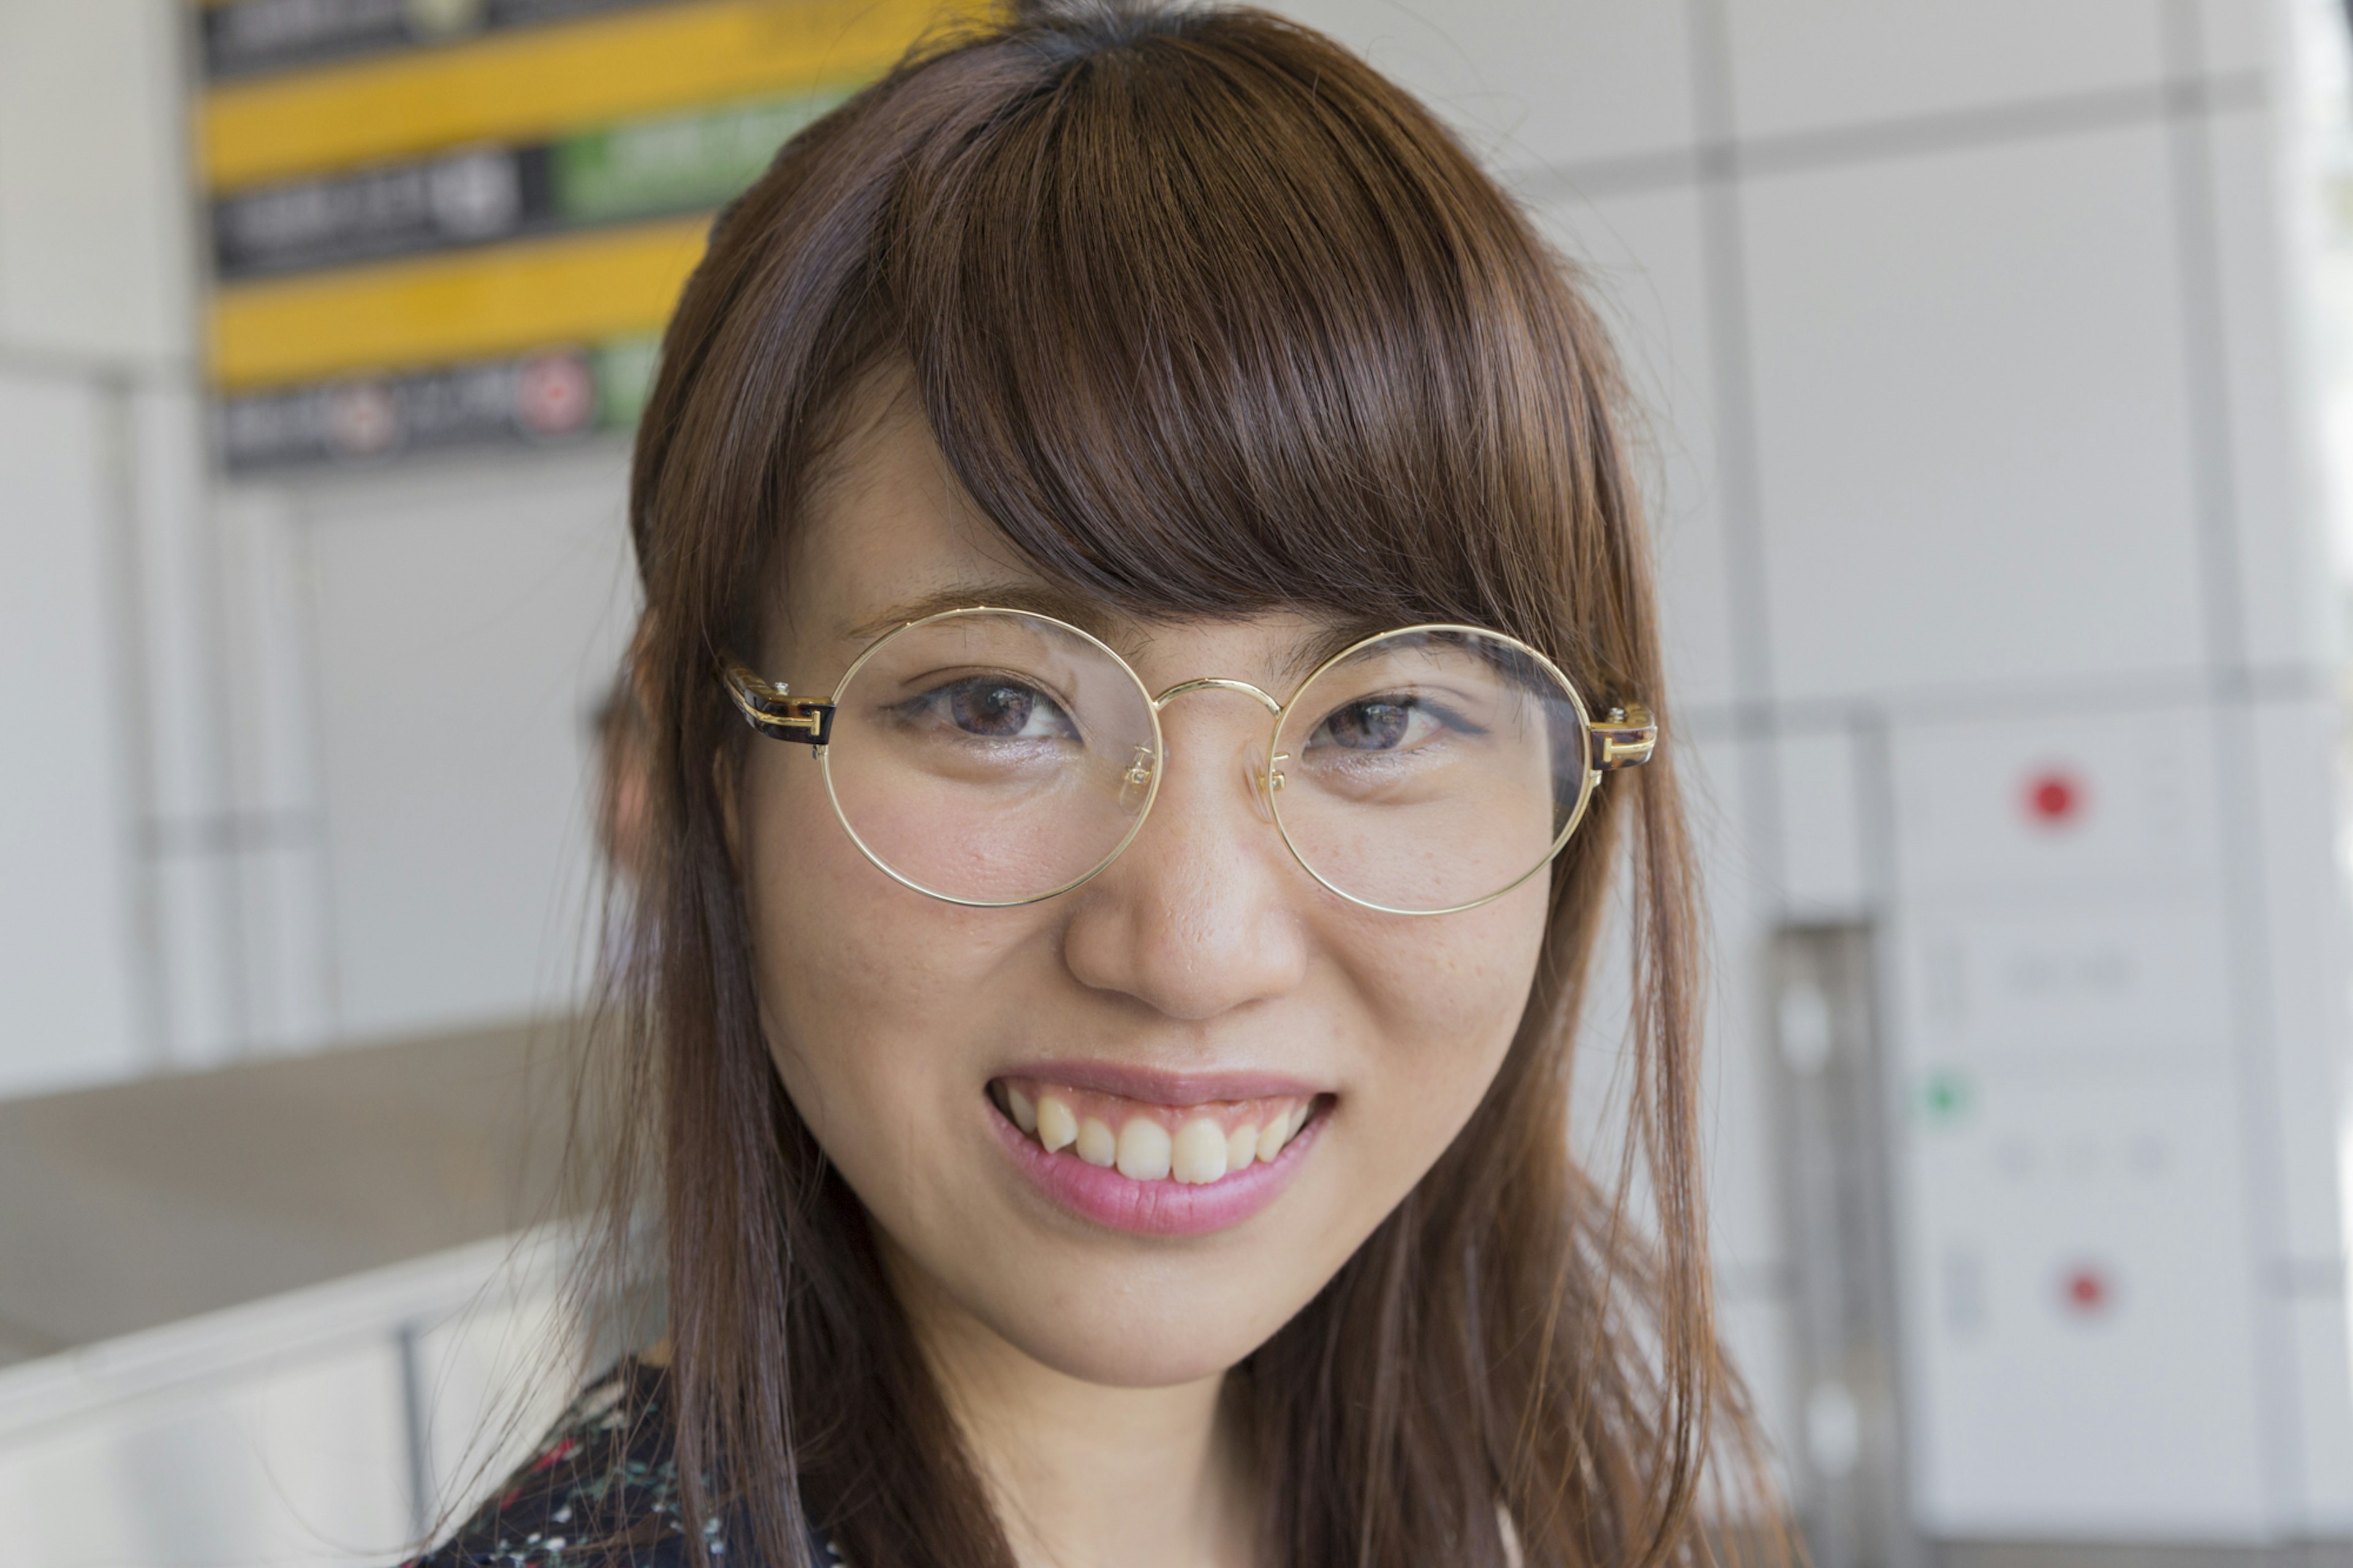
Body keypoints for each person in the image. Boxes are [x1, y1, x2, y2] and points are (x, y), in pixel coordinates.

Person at [417, 1, 1772, 1563]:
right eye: (996, 703)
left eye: (1381, 720)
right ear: (705, 762)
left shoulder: (1505, 1501)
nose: (1195, 945)